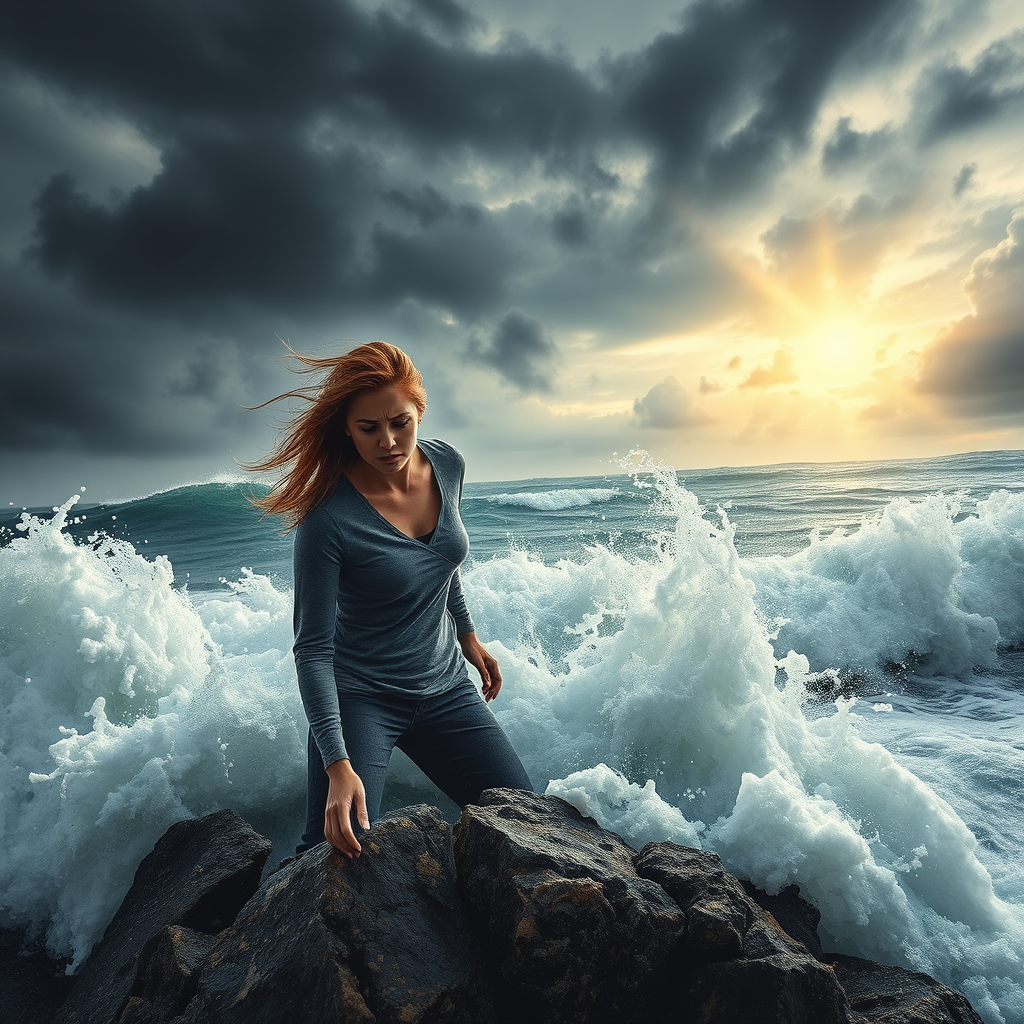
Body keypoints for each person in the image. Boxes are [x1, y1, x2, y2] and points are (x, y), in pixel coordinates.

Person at [250, 341, 532, 858]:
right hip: (364, 698)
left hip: (445, 687)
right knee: (335, 854)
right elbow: (312, 650)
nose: (387, 441)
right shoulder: (327, 522)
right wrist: (338, 766)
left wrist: (467, 634)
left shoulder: (447, 465)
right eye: (368, 428)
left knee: (524, 819)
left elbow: (441, 561)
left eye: (400, 422)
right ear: (346, 428)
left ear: (419, 411)